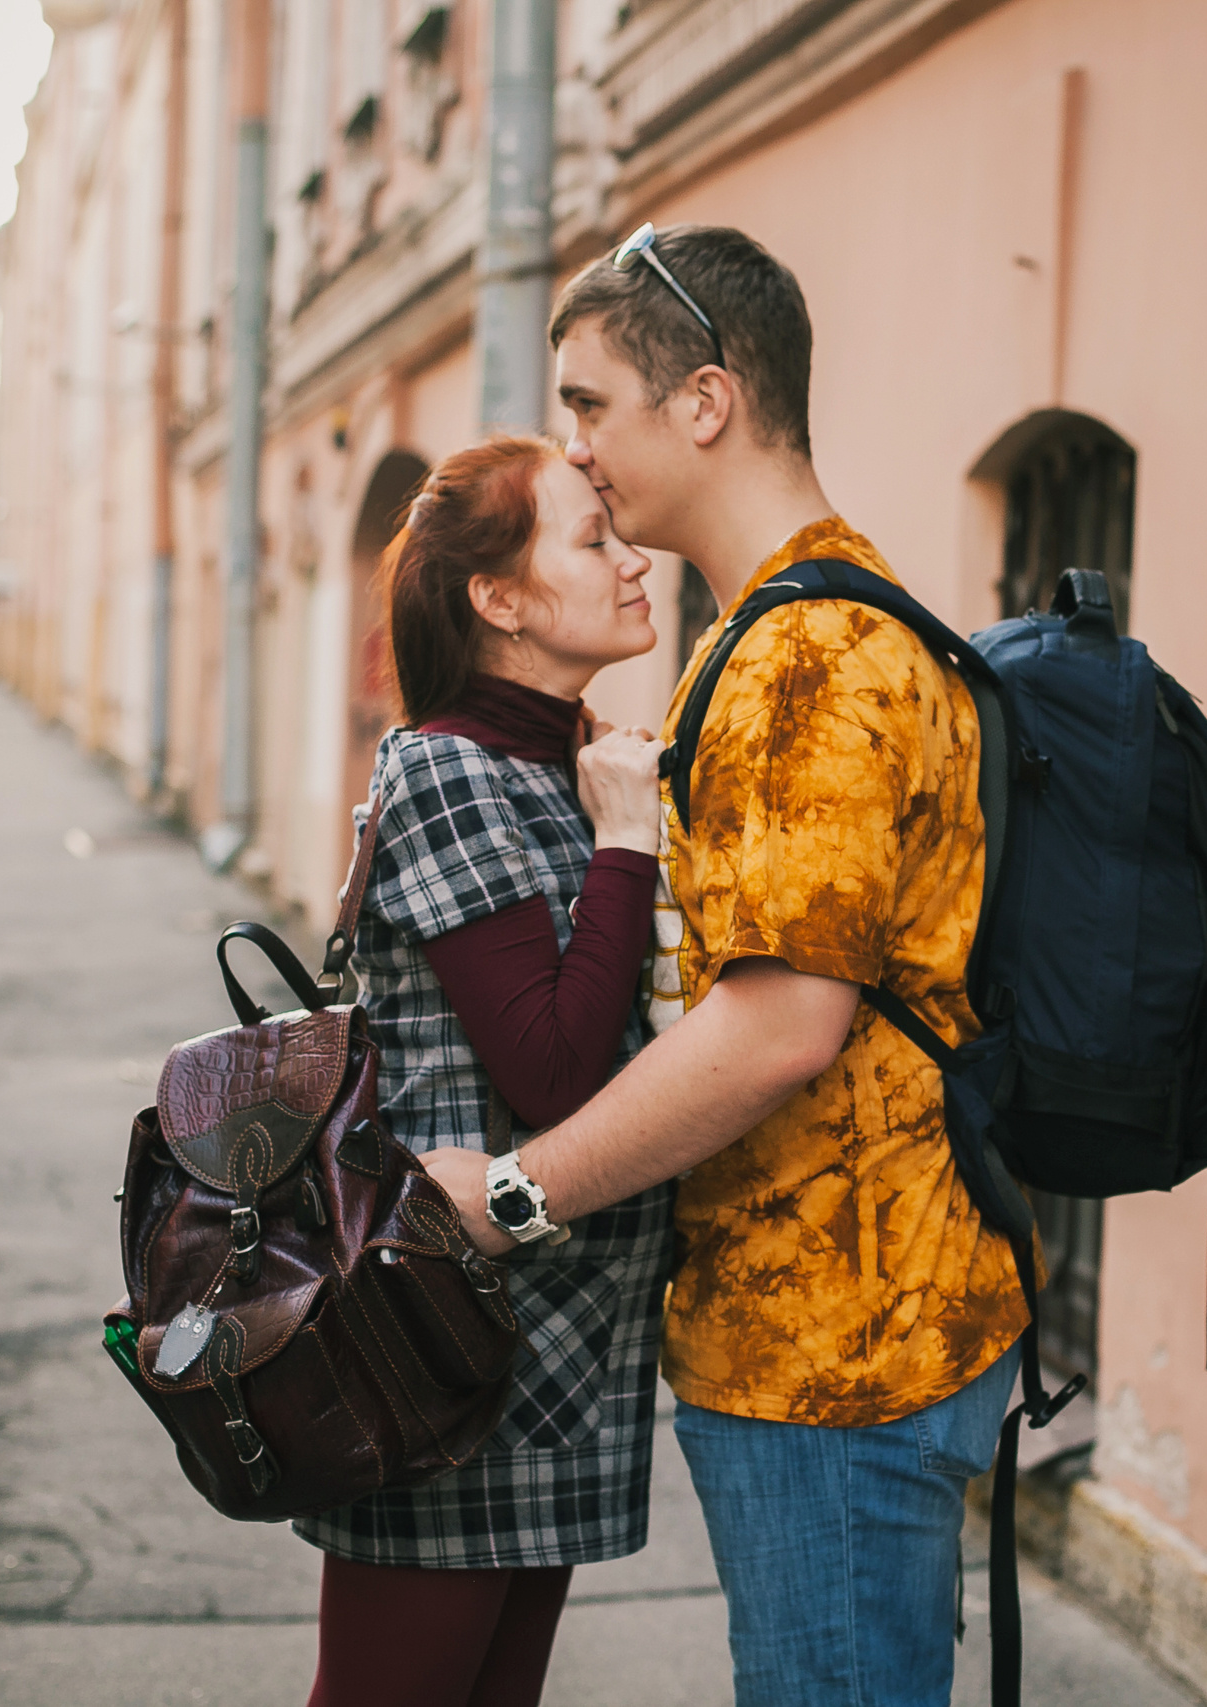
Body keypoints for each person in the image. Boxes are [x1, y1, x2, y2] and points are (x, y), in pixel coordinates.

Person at [421, 227, 1030, 1706]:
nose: (579, 445)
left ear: (702, 402)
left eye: (591, 403)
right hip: (849, 1321)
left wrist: (513, 1196)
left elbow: (778, 1029)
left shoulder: (809, 659)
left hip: (839, 1346)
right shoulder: (794, 624)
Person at [298, 434, 673, 1707]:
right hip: (450, 1343)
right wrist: (627, 843)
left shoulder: (552, 763)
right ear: (500, 602)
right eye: (591, 540)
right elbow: (557, 1071)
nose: (634, 562)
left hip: (555, 1345)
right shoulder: (453, 768)